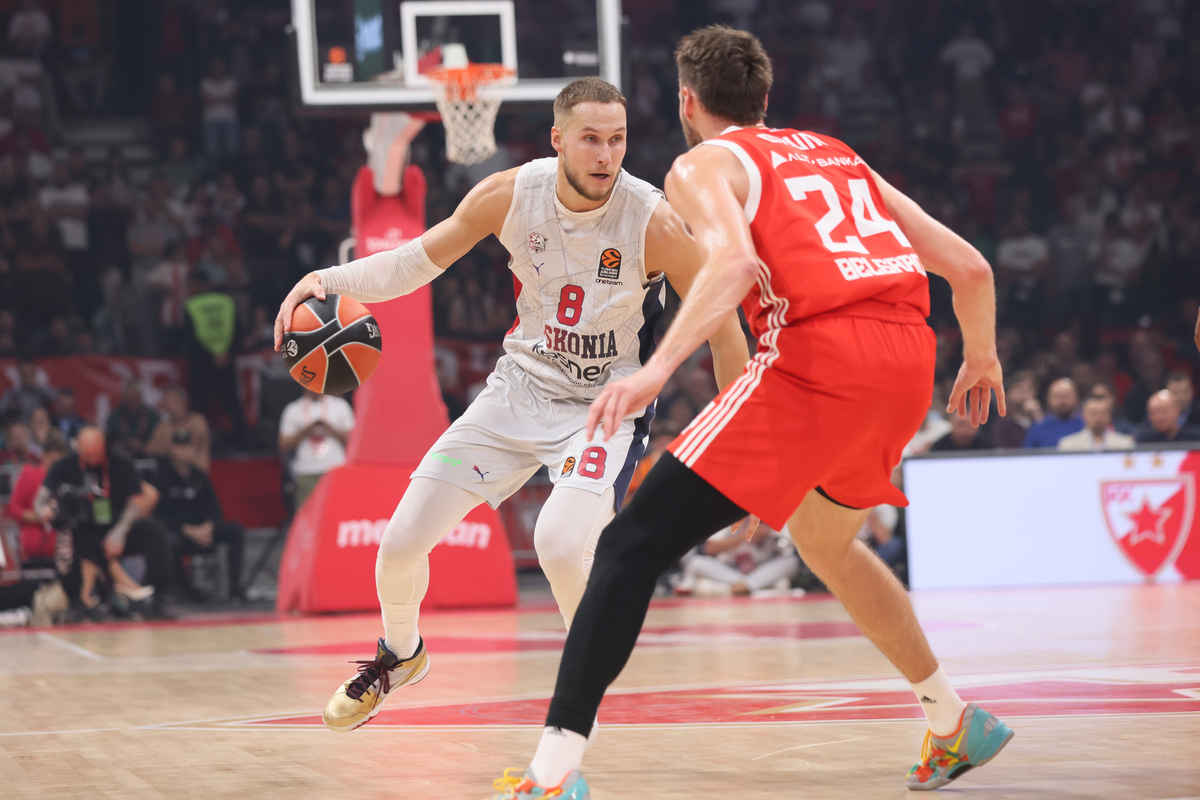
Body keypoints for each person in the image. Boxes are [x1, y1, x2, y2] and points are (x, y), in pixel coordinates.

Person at [491, 27, 1012, 798]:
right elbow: (969, 267)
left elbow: (734, 266)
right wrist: (982, 356)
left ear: (685, 102)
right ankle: (952, 719)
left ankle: (552, 774)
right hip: (909, 363)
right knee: (826, 544)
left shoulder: (703, 162)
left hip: (818, 362)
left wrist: (655, 370)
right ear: (766, 100)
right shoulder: (838, 154)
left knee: (630, 543)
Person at [273, 77, 749, 735]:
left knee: (556, 542)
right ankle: (400, 655)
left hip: (602, 409)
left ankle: (576, 711)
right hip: (516, 392)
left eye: (617, 140)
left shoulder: (653, 220)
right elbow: (415, 263)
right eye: (590, 139)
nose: (605, 154)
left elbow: (724, 329)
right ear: (558, 140)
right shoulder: (509, 195)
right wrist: (329, 279)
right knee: (399, 545)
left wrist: (743, 454)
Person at [34, 427, 174, 618]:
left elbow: (136, 501)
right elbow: (41, 497)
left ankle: (159, 599)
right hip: (82, 528)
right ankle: (80, 601)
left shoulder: (121, 462)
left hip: (116, 524)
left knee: (155, 531)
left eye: (96, 453)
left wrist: (120, 531)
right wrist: (42, 509)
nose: (92, 458)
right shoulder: (65, 465)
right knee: (71, 534)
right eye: (87, 453)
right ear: (78, 448)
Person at [150, 429, 245, 602]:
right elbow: (159, 516)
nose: (184, 451)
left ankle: (235, 589)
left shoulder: (200, 477)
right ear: (172, 450)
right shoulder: (161, 478)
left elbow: (216, 509)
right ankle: (186, 590)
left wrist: (208, 527)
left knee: (235, 530)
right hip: (180, 534)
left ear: (193, 450)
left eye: (187, 447)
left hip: (203, 532)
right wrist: (187, 530)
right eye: (179, 447)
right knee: (170, 541)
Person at [678, 521, 800, 597]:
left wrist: (773, 535)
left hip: (761, 571)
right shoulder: (731, 517)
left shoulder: (775, 518)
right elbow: (708, 548)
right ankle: (748, 587)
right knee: (696, 562)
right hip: (730, 572)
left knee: (791, 562)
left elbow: (787, 551)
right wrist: (742, 537)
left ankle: (741, 588)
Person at [277, 389, 355, 507]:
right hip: (307, 471)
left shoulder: (340, 406)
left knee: (338, 508)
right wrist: (305, 431)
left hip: (335, 469)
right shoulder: (294, 409)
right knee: (307, 514)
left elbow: (354, 440)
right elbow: (283, 445)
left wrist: (331, 429)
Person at [6, 429, 66, 562]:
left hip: (59, 548)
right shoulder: (30, 474)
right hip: (33, 546)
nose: (57, 465)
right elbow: (14, 509)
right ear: (44, 455)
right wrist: (41, 516)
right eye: (54, 460)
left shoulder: (64, 480)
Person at [145, 386, 211, 472]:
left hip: (196, 473)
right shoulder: (163, 426)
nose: (167, 402)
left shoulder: (197, 420)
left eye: (171, 399)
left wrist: (168, 445)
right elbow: (150, 449)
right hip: (170, 476)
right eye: (165, 399)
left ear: (183, 401)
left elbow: (188, 442)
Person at [1058, 397, 1135, 452]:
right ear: (1084, 415)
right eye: (1093, 414)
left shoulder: (1125, 444)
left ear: (1110, 416)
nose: (1098, 418)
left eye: (1103, 414)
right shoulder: (1068, 445)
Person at [104, 381, 159, 458]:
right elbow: (109, 440)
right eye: (128, 397)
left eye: (135, 396)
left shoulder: (152, 416)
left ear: (140, 396)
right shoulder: (114, 416)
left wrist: (143, 445)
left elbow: (159, 441)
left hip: (148, 457)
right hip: (121, 458)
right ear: (123, 397)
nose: (132, 400)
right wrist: (124, 444)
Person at [1023, 377, 1083, 448]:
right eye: (1057, 396)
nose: (1062, 401)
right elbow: (1026, 456)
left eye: (1067, 396)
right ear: (1049, 399)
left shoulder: (1086, 425)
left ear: (1076, 398)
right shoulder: (1038, 428)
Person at [1135, 390, 1200, 444]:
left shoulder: (1195, 438)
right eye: (1154, 413)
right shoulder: (1142, 441)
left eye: (1164, 411)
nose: (1160, 417)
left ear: (1177, 411)